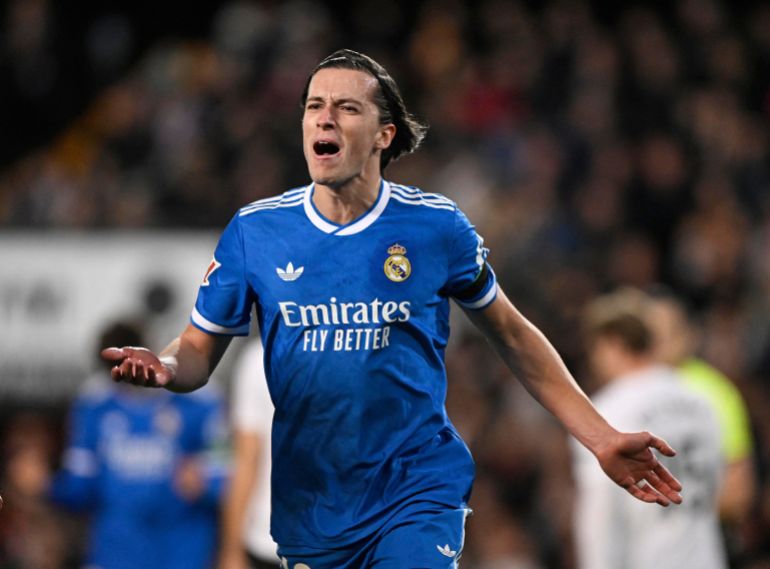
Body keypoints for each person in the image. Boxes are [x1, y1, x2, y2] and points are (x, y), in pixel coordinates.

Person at [102, 49, 682, 568]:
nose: (324, 118)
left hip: (416, 489)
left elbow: (511, 333)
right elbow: (198, 349)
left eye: (346, 108)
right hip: (313, 504)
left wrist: (600, 437)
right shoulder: (256, 232)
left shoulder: (434, 227)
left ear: (384, 134)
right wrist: (167, 368)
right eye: (314, 106)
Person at [51, 321, 228, 569]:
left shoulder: (200, 400)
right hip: (114, 554)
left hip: (182, 553)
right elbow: (78, 487)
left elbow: (232, 471)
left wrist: (206, 478)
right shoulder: (94, 405)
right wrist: (44, 484)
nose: (128, 374)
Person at [572, 291, 726, 569]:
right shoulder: (702, 400)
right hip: (706, 558)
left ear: (612, 343)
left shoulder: (605, 413)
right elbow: (717, 485)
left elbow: (601, 514)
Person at [644, 290, 756, 524]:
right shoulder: (624, 392)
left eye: (668, 334)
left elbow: (738, 491)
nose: (660, 344)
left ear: (689, 335)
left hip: (702, 531)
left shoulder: (714, 393)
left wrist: (671, 511)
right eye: (650, 335)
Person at [218, 337, 279, 569]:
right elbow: (246, 460)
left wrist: (231, 551)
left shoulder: (261, 355)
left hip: (273, 536)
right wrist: (232, 550)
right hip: (269, 539)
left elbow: (246, 460)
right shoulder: (259, 358)